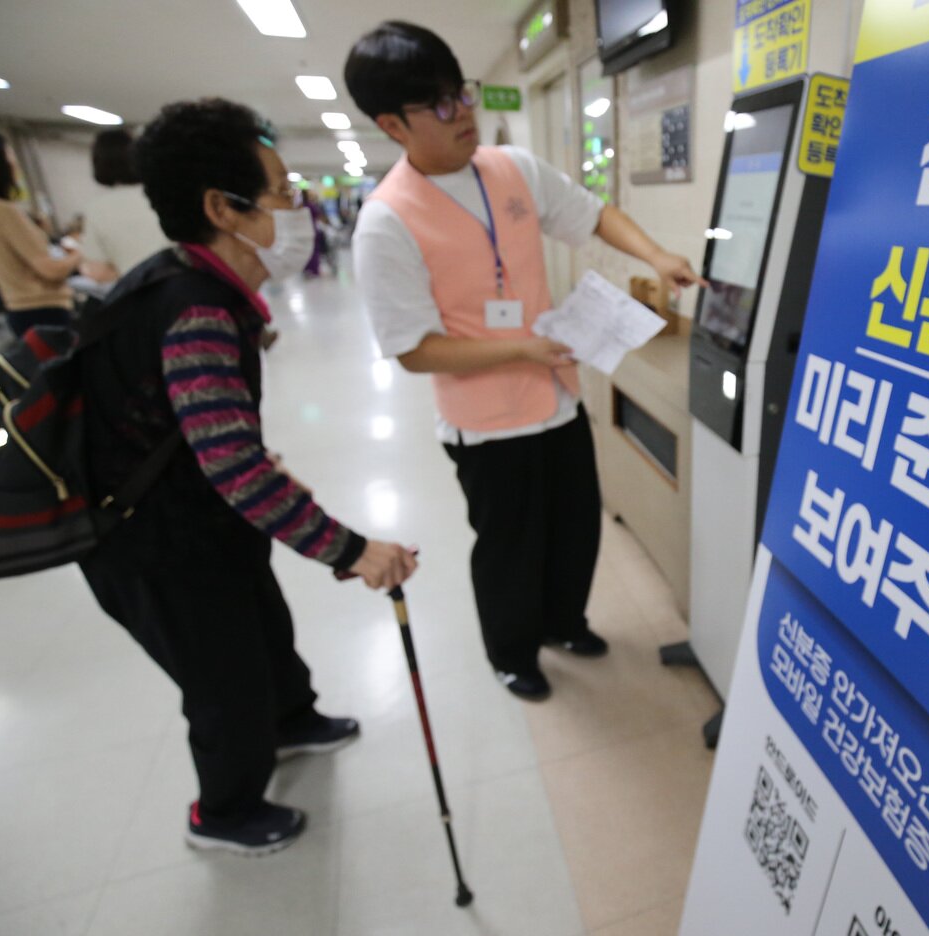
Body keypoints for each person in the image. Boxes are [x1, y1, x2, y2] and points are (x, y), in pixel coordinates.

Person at [77, 97, 418, 856]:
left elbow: (210, 442)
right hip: (148, 545)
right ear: (220, 208)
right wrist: (351, 550)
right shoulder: (192, 307)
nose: (294, 206)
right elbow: (234, 468)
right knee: (224, 680)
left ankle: (291, 720)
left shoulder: (194, 286)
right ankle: (223, 814)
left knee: (263, 626)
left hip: (193, 517)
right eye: (278, 191)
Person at [345, 22, 706, 702]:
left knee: (574, 526)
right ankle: (514, 652)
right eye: (442, 106)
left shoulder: (510, 170)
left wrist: (656, 256)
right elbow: (414, 350)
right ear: (392, 124)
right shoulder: (386, 223)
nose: (465, 114)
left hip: (556, 397)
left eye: (463, 94)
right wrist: (523, 346)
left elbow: (591, 213)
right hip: (485, 423)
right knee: (510, 545)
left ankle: (565, 622)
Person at [0, 129, 79, 336]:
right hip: (43, 310)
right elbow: (50, 270)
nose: (15, 163)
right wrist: (77, 253)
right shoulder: (4, 211)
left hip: (21, 310)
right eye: (9, 155)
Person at [79, 128, 170, 284]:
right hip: (184, 288)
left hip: (137, 294)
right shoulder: (166, 193)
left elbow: (97, 272)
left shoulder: (97, 209)